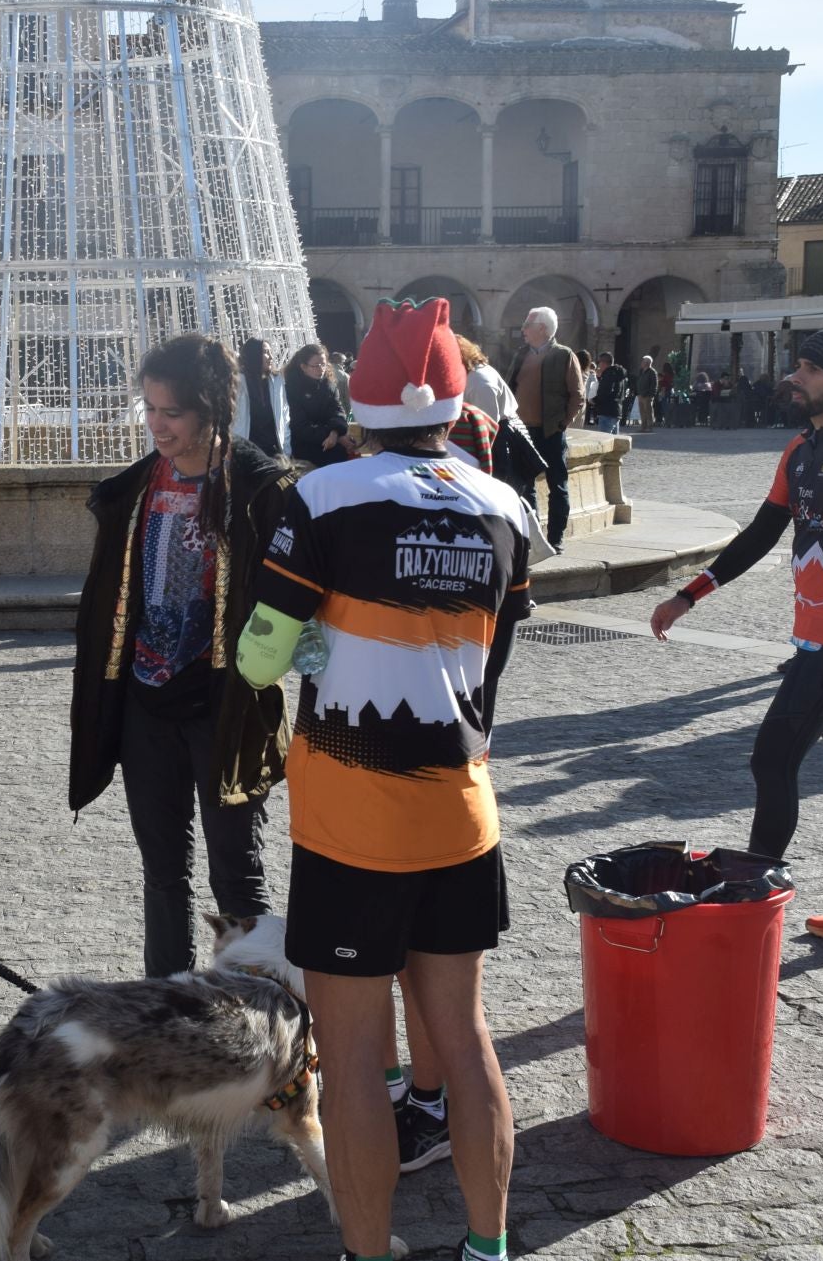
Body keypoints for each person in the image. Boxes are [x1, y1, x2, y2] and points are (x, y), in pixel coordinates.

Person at [238, 297, 528, 1261]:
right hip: (460, 810)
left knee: (356, 1064)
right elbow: (493, 659)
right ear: (453, 403)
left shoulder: (323, 496)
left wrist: (316, 642)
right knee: (468, 1037)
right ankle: (489, 1251)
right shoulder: (505, 505)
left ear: (358, 405)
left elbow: (257, 660)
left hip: (350, 826)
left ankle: (369, 1254)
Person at [652, 328, 823, 944]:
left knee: (773, 758)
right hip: (820, 635)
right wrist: (687, 595)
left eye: (808, 368)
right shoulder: (802, 447)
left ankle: (748, 907)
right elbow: (762, 532)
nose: (794, 376)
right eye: (797, 365)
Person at [69, 332, 294, 979]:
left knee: (237, 869)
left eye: (171, 411)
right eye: (149, 409)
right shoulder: (135, 489)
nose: (157, 425)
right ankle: (164, 1002)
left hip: (226, 709)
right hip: (148, 705)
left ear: (209, 409)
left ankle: (256, 1011)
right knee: (163, 873)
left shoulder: (259, 489)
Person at [506, 306, 583, 549]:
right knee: (524, 485)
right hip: (523, 432)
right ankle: (534, 537)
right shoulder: (521, 355)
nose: (523, 330)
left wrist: (563, 423)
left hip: (550, 431)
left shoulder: (564, 355)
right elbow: (509, 387)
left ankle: (556, 538)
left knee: (557, 486)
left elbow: (577, 395)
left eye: (527, 325)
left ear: (542, 328)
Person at [285, 342, 353, 468]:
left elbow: (338, 412)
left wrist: (335, 433)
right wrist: (331, 435)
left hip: (332, 443)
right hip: (305, 449)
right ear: (303, 367)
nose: (321, 369)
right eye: (316, 366)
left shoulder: (329, 385)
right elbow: (299, 426)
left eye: (323, 364)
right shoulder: (291, 389)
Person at [232, 336, 289, 461]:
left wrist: (287, 448)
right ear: (253, 355)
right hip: (246, 450)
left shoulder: (276, 381)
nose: (271, 357)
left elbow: (284, 416)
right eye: (265, 352)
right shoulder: (237, 382)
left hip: (274, 450)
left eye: (270, 352)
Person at [592, 351, 627, 434]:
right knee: (614, 441)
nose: (598, 365)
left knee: (604, 440)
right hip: (616, 410)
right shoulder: (619, 373)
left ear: (604, 363)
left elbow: (605, 392)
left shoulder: (609, 374)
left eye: (599, 362)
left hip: (606, 411)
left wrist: (595, 400)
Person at [631, 356, 658, 432]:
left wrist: (651, 394)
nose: (641, 363)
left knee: (648, 412)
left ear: (647, 363)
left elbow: (654, 385)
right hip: (640, 394)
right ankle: (643, 427)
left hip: (647, 396)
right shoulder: (641, 371)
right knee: (642, 412)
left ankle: (650, 427)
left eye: (643, 361)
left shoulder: (652, 372)